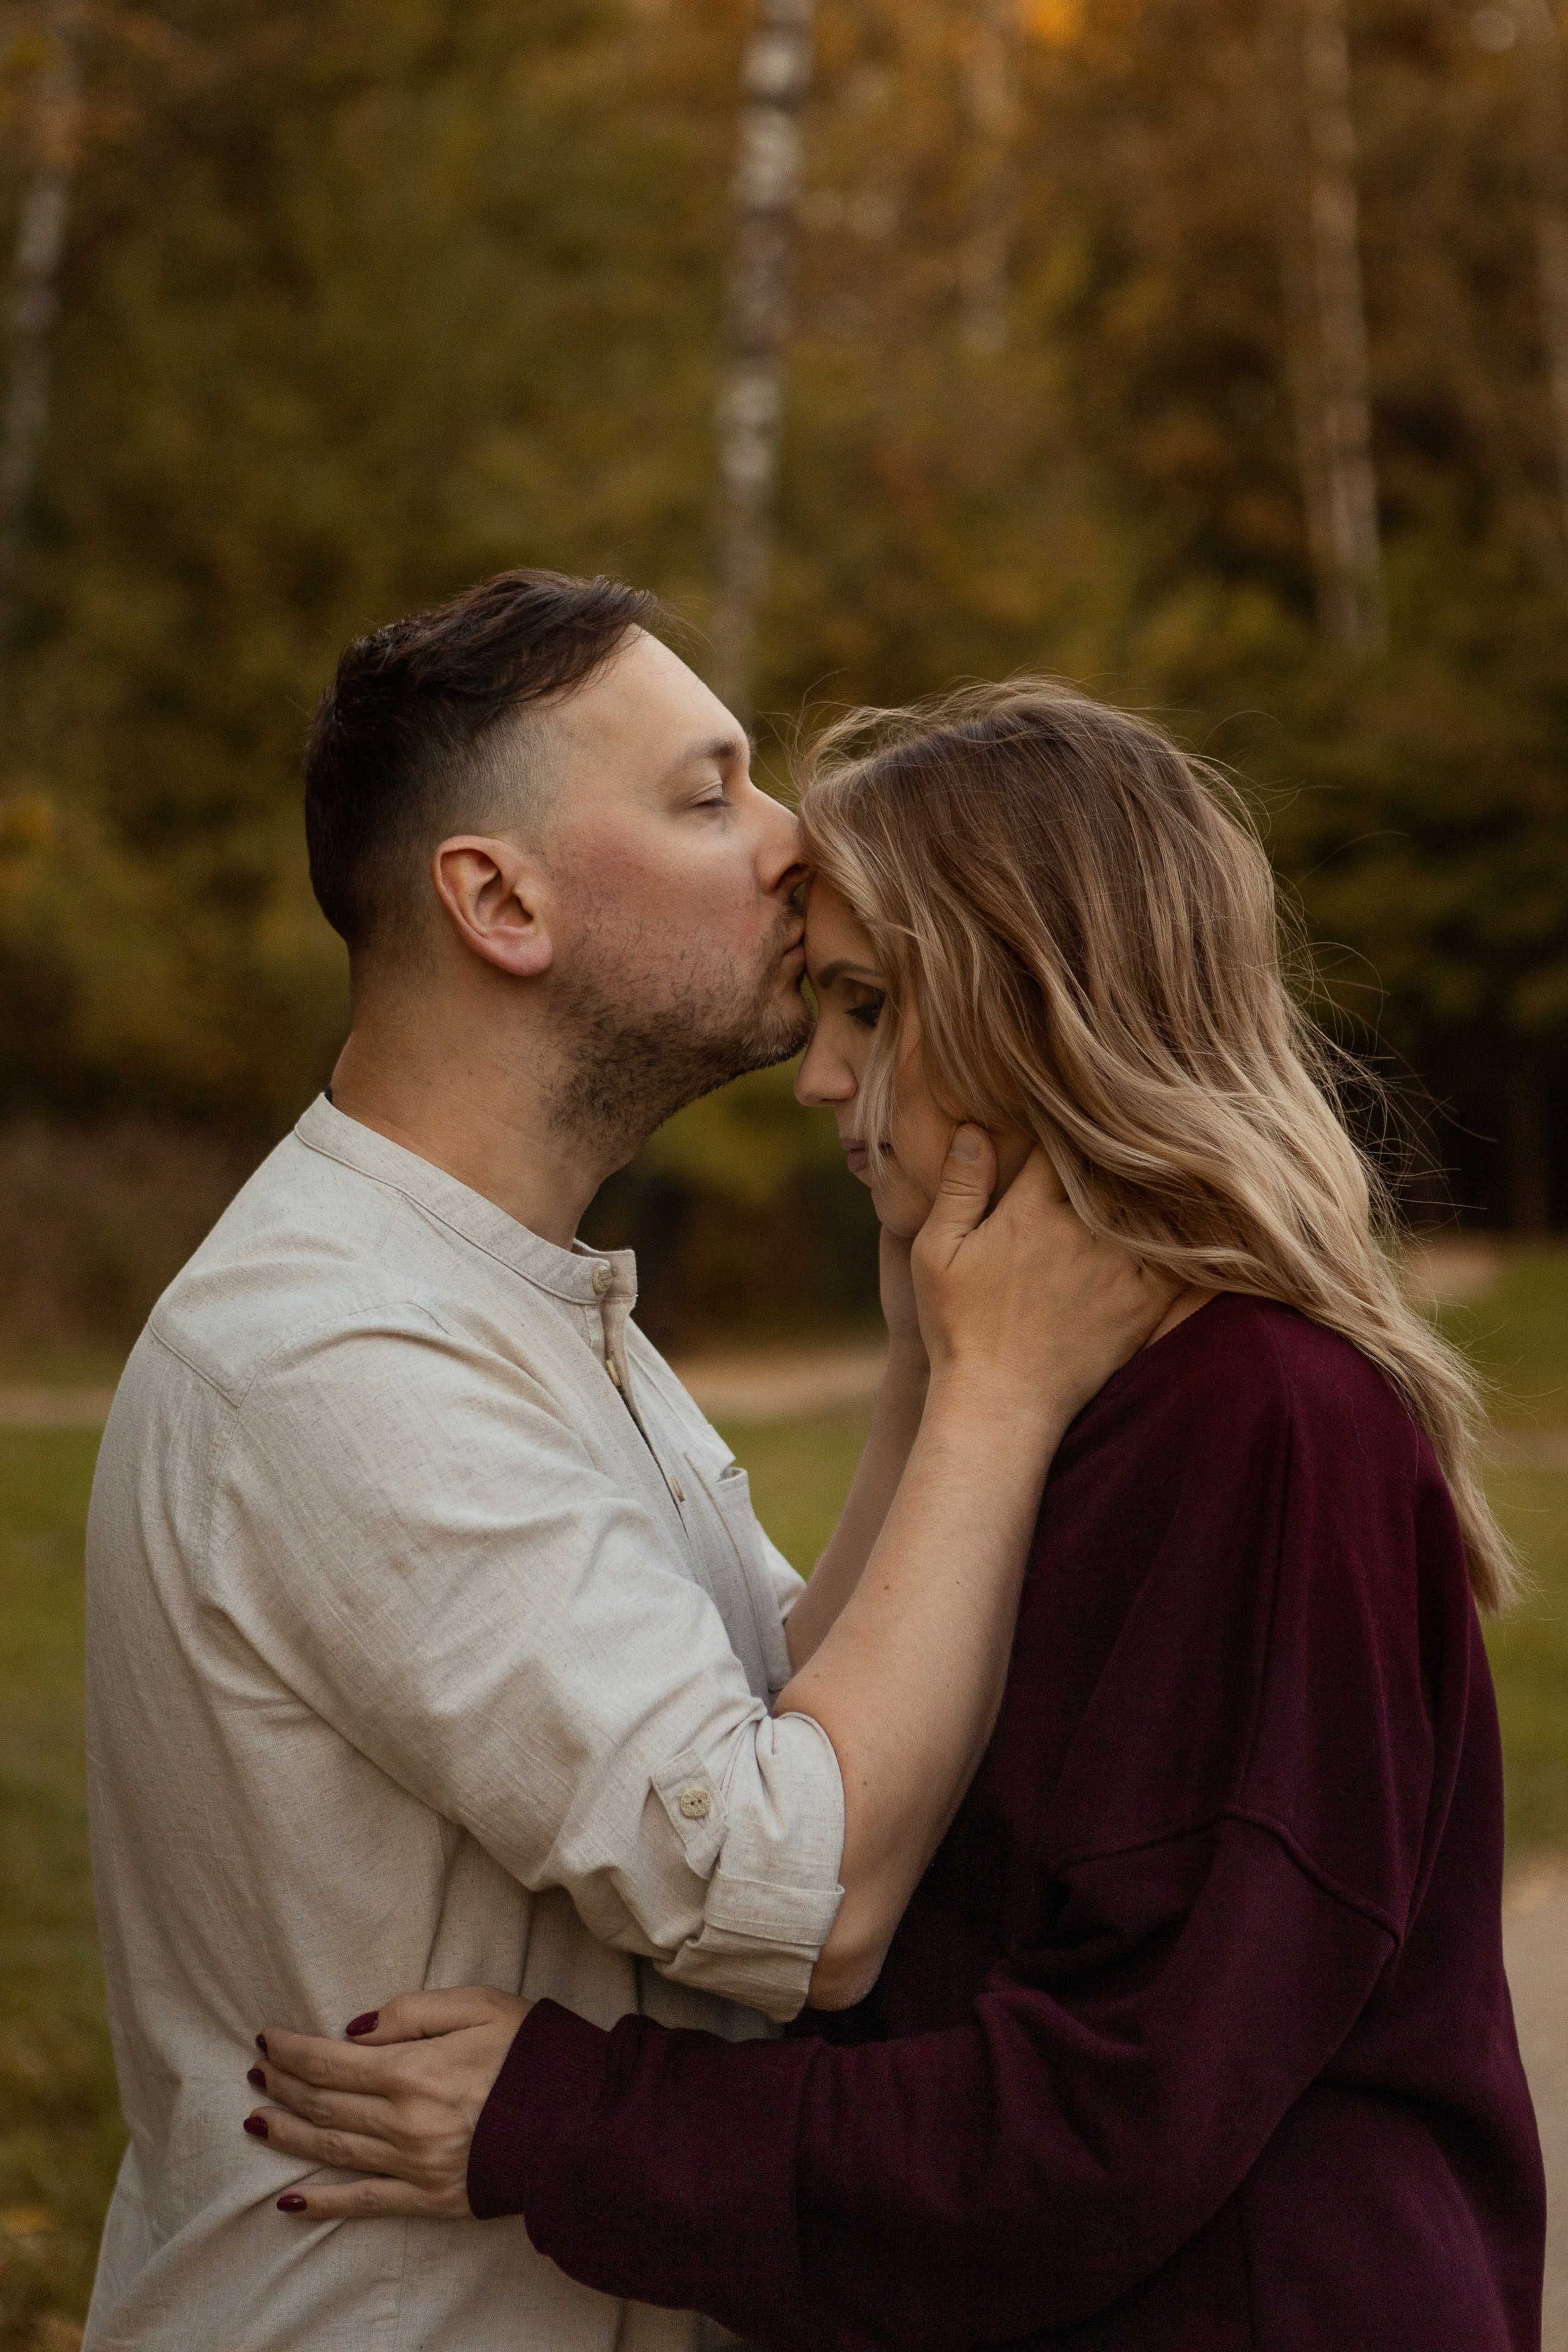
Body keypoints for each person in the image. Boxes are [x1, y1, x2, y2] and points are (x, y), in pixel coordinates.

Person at [247, 682, 1546, 2352]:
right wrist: (937, 1379)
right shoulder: (1074, 1399)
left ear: (1042, 1007)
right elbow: (847, 1805)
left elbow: (1115, 2120)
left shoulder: (1264, 1421)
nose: (820, 1079)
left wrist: (575, 2117)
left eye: (865, 1006)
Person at [82, 582, 1163, 2352]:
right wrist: (1004, 1395)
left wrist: (926, 1357)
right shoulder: (338, 1357)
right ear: (499, 902)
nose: (794, 841)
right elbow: (804, 1890)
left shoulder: (503, 1297)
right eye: (707, 794)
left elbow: (784, 1717)